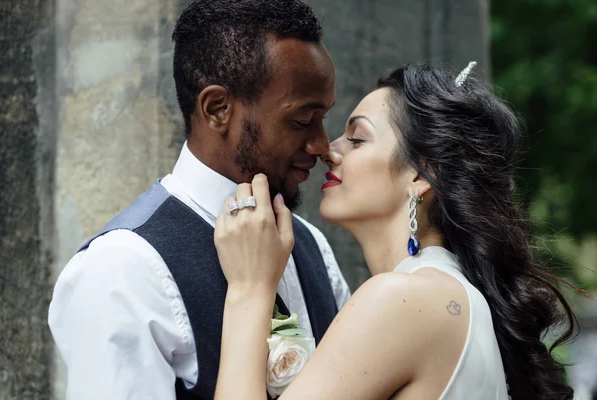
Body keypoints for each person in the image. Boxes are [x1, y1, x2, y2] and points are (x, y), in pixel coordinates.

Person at [213, 63, 580, 399]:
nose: (328, 149)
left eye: (356, 138)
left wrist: (250, 290)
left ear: (421, 174)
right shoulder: (451, 296)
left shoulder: (404, 299)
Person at [48, 1, 350, 399]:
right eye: (299, 120)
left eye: (323, 118)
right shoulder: (121, 271)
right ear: (217, 109)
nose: (320, 145)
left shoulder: (312, 247)